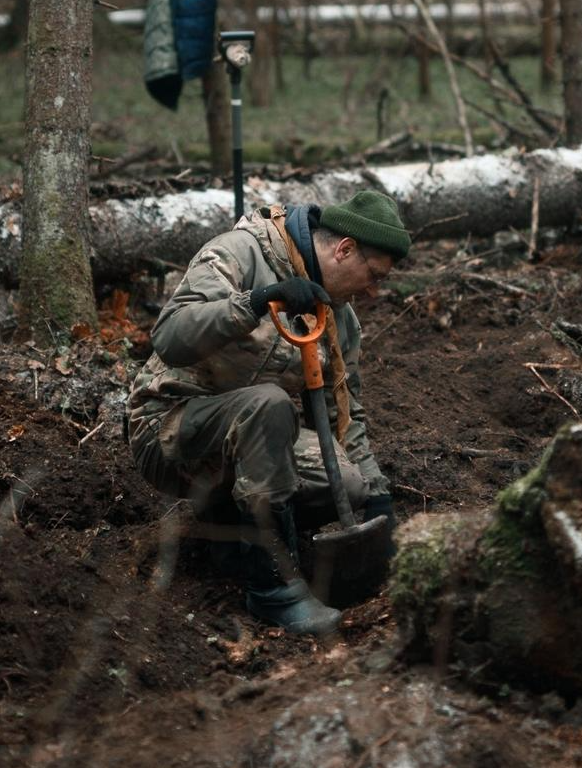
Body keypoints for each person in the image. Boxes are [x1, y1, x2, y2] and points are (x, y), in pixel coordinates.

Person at [127, 189, 410, 636]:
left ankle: (228, 530)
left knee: (347, 481)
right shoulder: (241, 253)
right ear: (345, 249)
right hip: (169, 428)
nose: (374, 291)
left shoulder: (340, 318)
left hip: (250, 440)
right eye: (373, 275)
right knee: (268, 404)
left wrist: (380, 503)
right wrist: (258, 301)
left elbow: (344, 410)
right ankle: (273, 589)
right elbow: (171, 336)